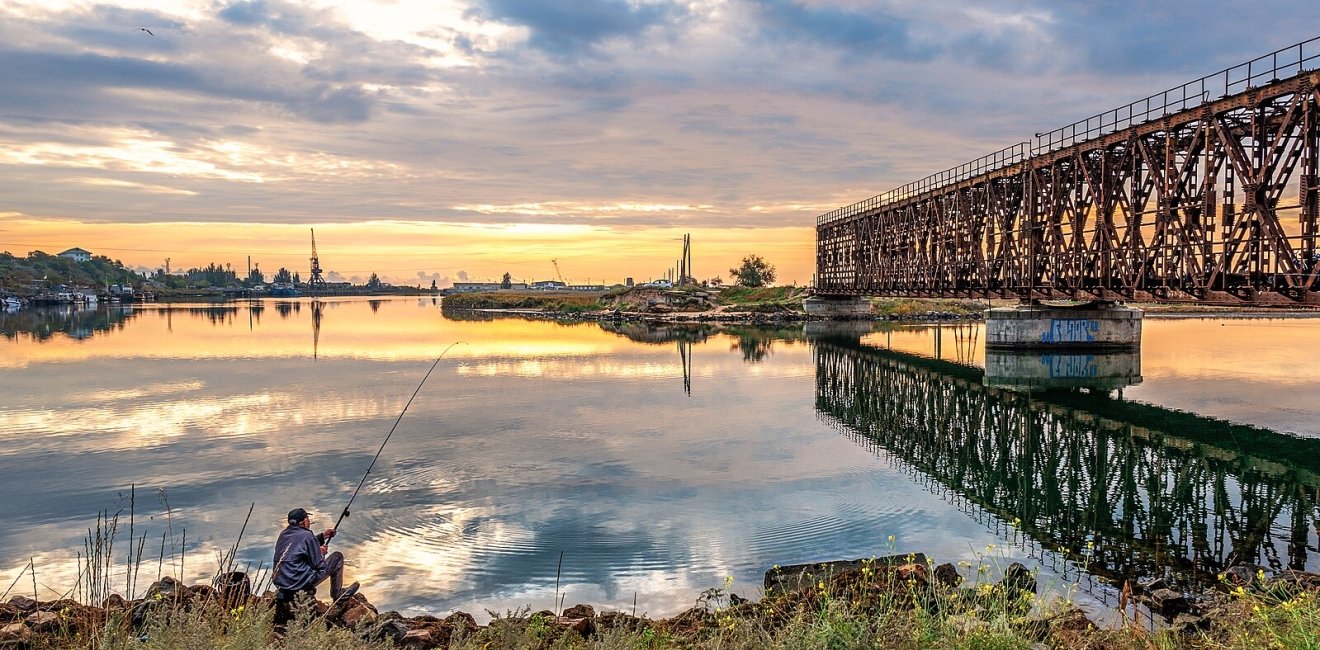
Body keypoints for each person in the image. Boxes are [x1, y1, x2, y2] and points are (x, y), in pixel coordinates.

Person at [272, 507, 359, 604]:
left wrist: (323, 536)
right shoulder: (307, 535)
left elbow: (299, 549)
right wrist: (321, 553)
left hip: (282, 584)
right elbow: (318, 564)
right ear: (304, 521)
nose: (309, 521)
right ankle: (338, 596)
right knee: (337, 557)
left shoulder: (283, 534)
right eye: (307, 518)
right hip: (298, 584)